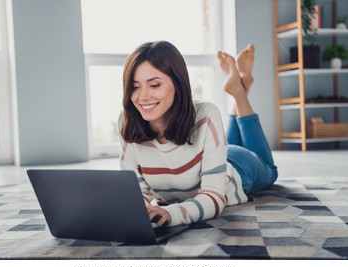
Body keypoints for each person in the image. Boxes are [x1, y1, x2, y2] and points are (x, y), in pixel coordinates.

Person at [119, 41, 278, 227]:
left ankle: (240, 93)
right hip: (216, 155)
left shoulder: (206, 115)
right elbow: (136, 195)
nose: (143, 96)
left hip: (238, 168)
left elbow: (214, 197)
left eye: (154, 85)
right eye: (135, 86)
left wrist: (171, 213)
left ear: (178, 83)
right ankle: (239, 86)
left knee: (270, 170)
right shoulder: (127, 122)